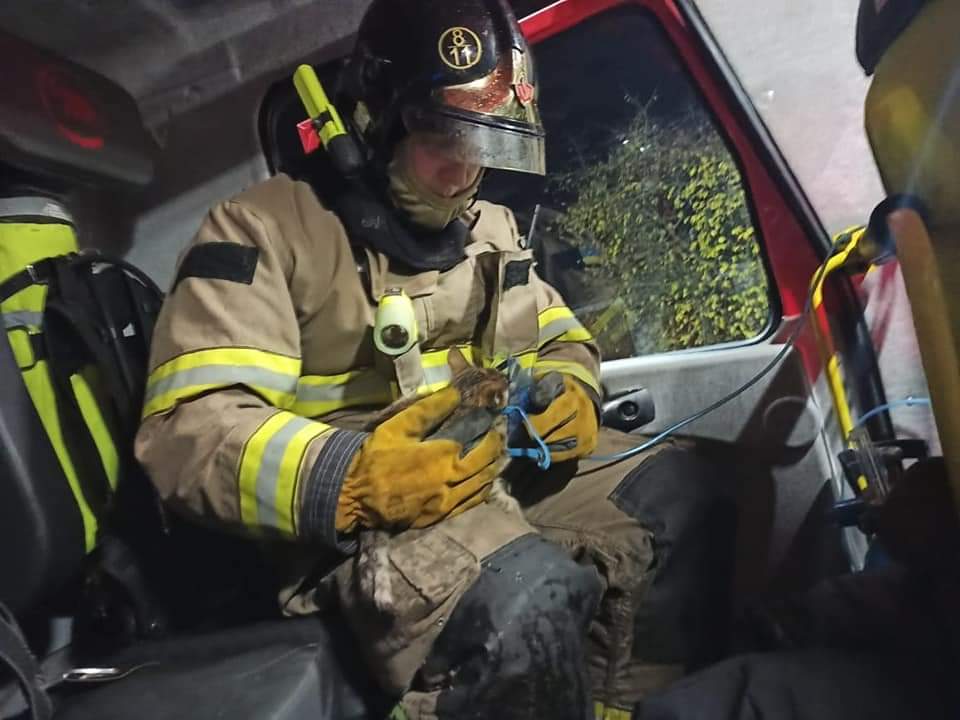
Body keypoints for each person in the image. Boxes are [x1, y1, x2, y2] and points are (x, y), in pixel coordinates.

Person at [134, 1, 733, 717]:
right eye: (445, 141)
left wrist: (573, 387)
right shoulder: (261, 230)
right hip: (360, 519)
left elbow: (560, 335)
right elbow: (188, 428)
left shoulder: (489, 230)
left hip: (491, 467)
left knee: (680, 494)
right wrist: (354, 478)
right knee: (525, 604)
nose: (463, 174)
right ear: (376, 123)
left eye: (486, 145)